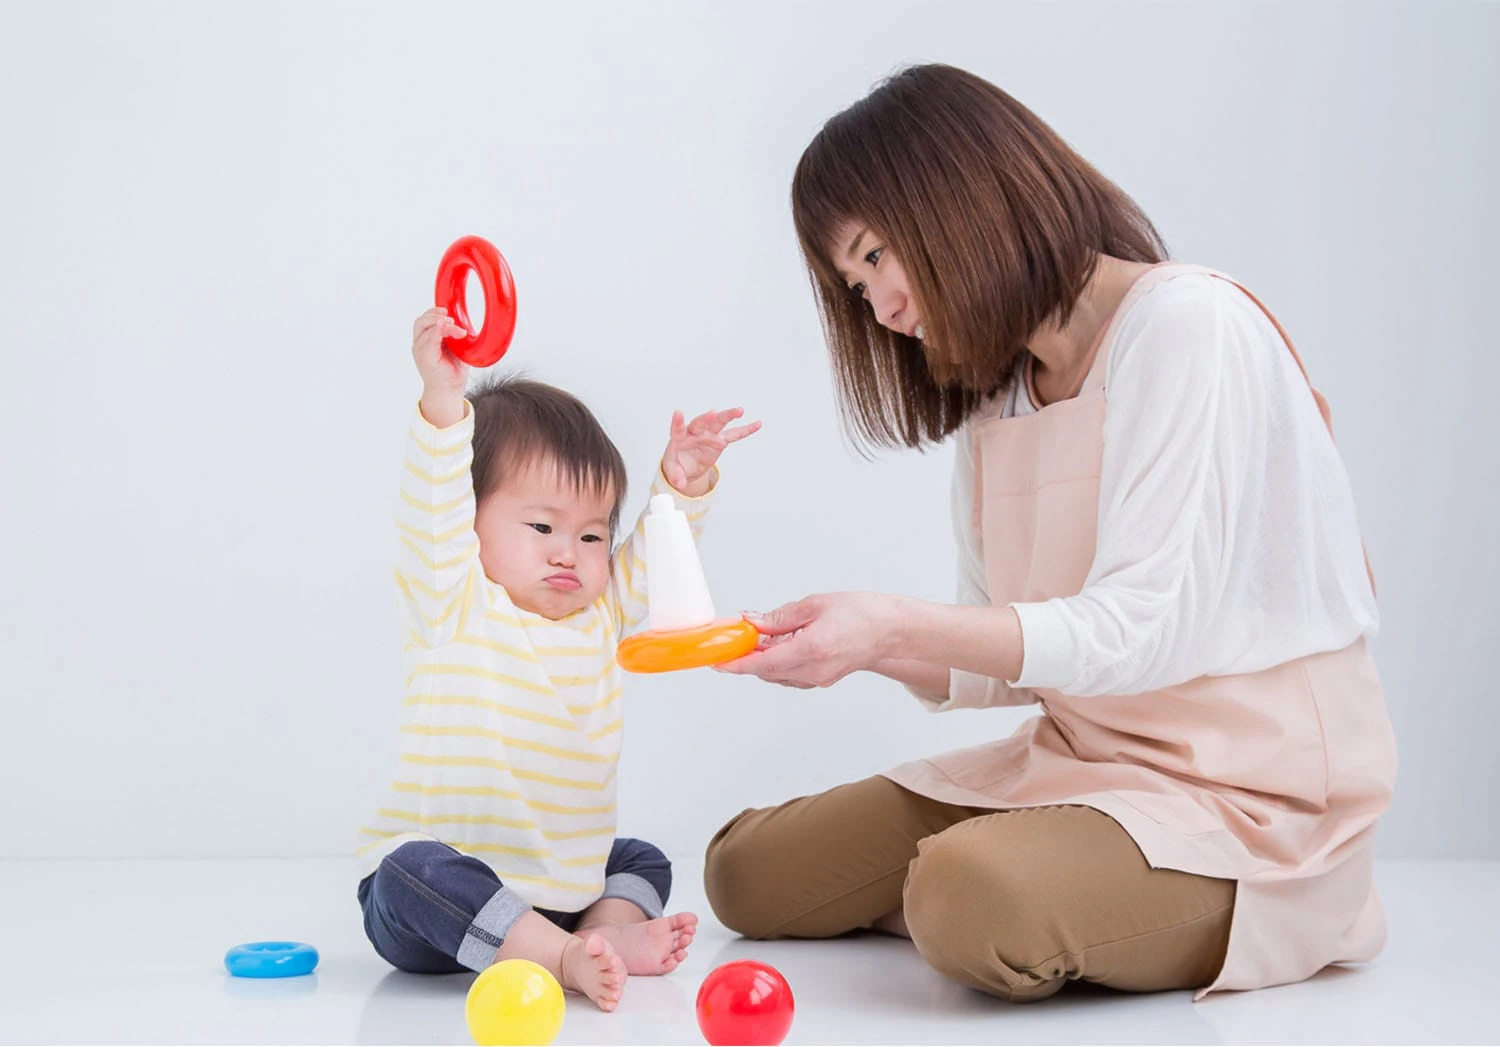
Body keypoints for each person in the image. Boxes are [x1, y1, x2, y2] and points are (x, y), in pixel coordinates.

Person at [706, 63, 1396, 1003]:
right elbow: (1003, 650)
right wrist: (851, 644)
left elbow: (1146, 629)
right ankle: (1052, 874)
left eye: (876, 258)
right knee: (746, 871)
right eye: (854, 283)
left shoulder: (1189, 327)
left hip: (1249, 803)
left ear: (958, 196)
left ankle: (1185, 901)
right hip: (1079, 767)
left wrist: (894, 625)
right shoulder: (1001, 396)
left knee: (965, 896)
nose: (881, 308)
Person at [357, 305, 759, 1009]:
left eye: (593, 535)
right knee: (406, 870)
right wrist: (444, 405)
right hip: (440, 914)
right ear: (470, 522)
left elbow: (658, 562)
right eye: (541, 525)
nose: (566, 552)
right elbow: (431, 513)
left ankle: (601, 934)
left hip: (559, 895)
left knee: (639, 858)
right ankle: (562, 957)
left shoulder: (596, 615)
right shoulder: (454, 601)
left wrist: (681, 487)